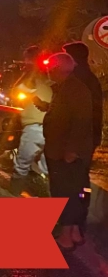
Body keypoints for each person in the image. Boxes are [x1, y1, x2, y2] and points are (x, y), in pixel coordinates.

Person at [39, 53, 94, 251]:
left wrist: (71, 150)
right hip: (61, 150)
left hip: (65, 153)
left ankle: (66, 237)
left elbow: (81, 121)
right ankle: (74, 232)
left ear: (57, 69)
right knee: (71, 191)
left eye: (50, 67)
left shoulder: (74, 89)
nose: (47, 71)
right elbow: (65, 113)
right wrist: (46, 107)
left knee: (64, 193)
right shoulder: (66, 87)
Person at [63, 41, 104, 236]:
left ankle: (75, 227)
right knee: (79, 181)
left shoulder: (80, 81)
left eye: (67, 57)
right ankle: (76, 225)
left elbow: (81, 117)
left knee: (74, 182)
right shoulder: (88, 78)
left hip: (79, 141)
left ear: (75, 59)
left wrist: (72, 146)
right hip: (86, 139)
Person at [10, 46, 52, 189]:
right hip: (53, 126)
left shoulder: (33, 77)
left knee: (23, 160)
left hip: (35, 126)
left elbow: (16, 91)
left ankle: (15, 189)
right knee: (48, 164)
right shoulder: (51, 75)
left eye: (27, 59)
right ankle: (46, 189)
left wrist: (27, 72)